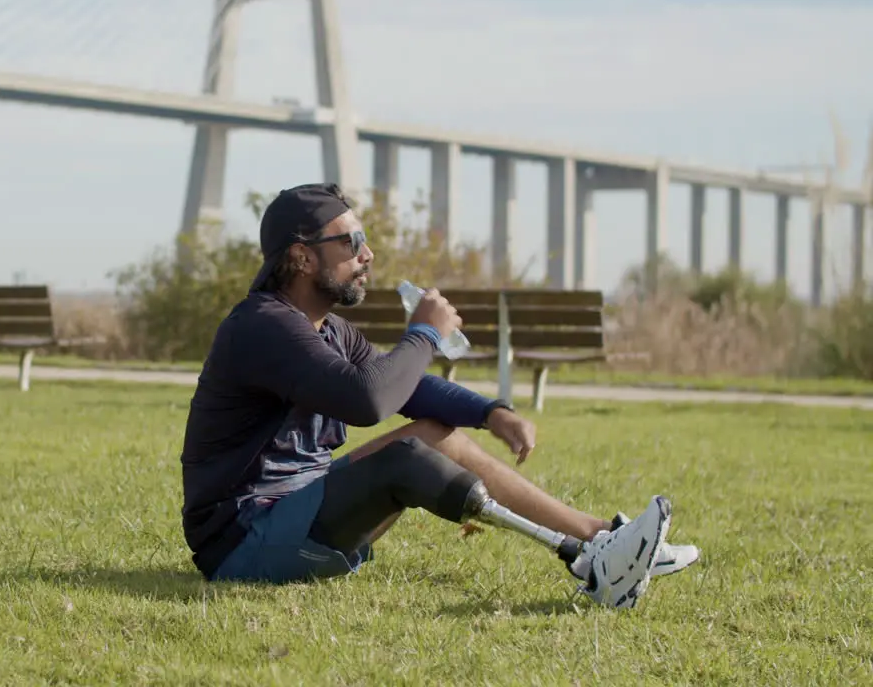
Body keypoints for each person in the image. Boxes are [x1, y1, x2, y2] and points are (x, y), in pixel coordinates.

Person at [179, 182, 699, 609]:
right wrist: (424, 333)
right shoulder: (263, 326)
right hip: (243, 542)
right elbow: (370, 402)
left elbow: (405, 386)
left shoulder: (327, 328)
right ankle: (586, 562)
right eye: (350, 241)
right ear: (301, 257)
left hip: (293, 513)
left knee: (433, 436)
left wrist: (489, 412)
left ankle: (601, 537)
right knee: (405, 457)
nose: (368, 253)